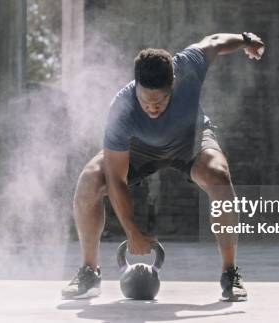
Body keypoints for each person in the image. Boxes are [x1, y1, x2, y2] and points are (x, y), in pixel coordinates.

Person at [61, 32, 265, 301]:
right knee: (89, 181)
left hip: (188, 141)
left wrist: (246, 39)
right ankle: (90, 271)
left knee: (219, 176)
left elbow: (215, 42)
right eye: (146, 101)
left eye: (159, 101)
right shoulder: (121, 109)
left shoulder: (189, 66)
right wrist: (133, 232)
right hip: (140, 151)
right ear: (136, 87)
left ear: (173, 83)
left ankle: (230, 274)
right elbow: (116, 179)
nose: (152, 108)